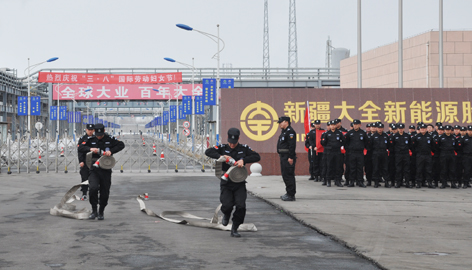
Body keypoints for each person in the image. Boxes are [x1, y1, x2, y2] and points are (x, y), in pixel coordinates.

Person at [205, 128, 260, 237]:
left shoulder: (244, 148)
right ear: (227, 139)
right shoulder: (222, 148)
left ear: (238, 139)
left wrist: (243, 160)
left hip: (239, 181)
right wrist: (221, 157)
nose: (232, 144)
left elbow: (257, 156)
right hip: (226, 181)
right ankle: (226, 213)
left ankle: (235, 228)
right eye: (230, 142)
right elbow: (208, 151)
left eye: (234, 142)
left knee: (241, 206)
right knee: (226, 204)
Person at [78, 123, 125, 220]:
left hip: (106, 168)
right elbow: (80, 148)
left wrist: (111, 151)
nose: (99, 137)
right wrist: (90, 149)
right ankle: (94, 210)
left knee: (104, 192)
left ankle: (101, 211)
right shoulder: (90, 139)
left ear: (104, 132)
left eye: (101, 135)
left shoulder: (109, 138)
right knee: (93, 188)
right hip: (94, 169)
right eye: (97, 135)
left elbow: (121, 145)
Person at [276, 116, 297, 201]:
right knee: (285, 175)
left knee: (289, 175)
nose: (280, 124)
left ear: (286, 122)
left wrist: (291, 157)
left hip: (288, 157)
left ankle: (291, 194)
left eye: (281, 122)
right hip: (283, 156)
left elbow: (292, 146)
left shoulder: (290, 132)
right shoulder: (284, 132)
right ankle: (288, 192)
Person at [321, 121, 345, 187]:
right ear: (330, 126)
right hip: (329, 152)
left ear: (336, 126)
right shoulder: (327, 133)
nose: (333, 126)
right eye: (331, 125)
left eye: (334, 125)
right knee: (329, 166)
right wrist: (328, 147)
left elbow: (343, 141)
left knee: (338, 167)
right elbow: (323, 142)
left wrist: (338, 145)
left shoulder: (339, 133)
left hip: (337, 152)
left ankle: (338, 181)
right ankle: (328, 181)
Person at [344, 119, 367, 187]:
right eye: (354, 124)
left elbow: (366, 142)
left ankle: (360, 181)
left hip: (360, 153)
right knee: (352, 167)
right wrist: (349, 150)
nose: (355, 126)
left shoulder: (363, 133)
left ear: (360, 125)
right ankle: (352, 182)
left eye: (356, 124)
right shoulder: (350, 133)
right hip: (352, 153)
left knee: (360, 168)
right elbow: (346, 143)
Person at [411, 124, 434, 189]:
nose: (422, 129)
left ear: (426, 129)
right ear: (419, 129)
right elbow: (412, 146)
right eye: (421, 128)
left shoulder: (430, 136)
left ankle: (429, 182)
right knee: (419, 169)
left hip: (427, 155)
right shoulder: (416, 137)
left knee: (428, 170)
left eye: (424, 128)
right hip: (420, 155)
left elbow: (433, 146)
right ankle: (418, 183)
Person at [369, 123, 390, 188]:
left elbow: (389, 145)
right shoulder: (373, 136)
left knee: (385, 168)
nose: (380, 129)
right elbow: (370, 146)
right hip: (376, 153)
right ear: (377, 128)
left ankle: (386, 182)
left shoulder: (385, 135)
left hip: (384, 153)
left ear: (383, 129)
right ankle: (376, 182)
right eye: (378, 128)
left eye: (381, 128)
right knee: (376, 168)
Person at [391, 124, 412, 188]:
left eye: (402, 128)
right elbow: (392, 146)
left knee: (407, 169)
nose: (401, 129)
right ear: (398, 129)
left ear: (404, 128)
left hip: (405, 154)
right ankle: (398, 182)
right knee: (398, 169)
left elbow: (410, 145)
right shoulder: (395, 136)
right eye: (399, 128)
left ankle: (407, 182)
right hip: (398, 154)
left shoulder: (407, 136)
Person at [77, 124, 94, 200]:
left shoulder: (96, 138)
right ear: (86, 130)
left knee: (95, 177)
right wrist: (81, 161)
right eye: (89, 130)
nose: (90, 131)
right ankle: (84, 193)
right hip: (85, 161)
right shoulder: (82, 139)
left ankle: (95, 193)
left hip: (94, 161)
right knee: (84, 178)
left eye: (91, 130)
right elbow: (80, 150)